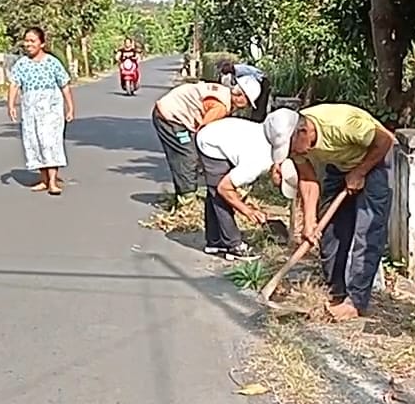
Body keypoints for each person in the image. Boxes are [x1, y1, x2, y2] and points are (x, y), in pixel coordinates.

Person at [264, 104, 395, 321]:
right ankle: (336, 291)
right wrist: (309, 222)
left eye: (292, 148)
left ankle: (355, 302)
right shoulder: (297, 144)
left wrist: (360, 172)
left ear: (303, 132)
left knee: (367, 231)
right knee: (332, 231)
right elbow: (307, 179)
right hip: (340, 164)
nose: (293, 153)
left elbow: (385, 141)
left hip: (374, 160)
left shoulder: (341, 124)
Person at [152, 77, 260, 208]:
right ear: (240, 95)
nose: (247, 106)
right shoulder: (221, 106)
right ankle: (187, 199)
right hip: (170, 117)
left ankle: (185, 190)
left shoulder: (223, 94)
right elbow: (203, 132)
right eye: (247, 101)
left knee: (190, 153)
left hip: (173, 112)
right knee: (188, 155)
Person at [194, 116, 279, 261]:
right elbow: (224, 189)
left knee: (214, 192)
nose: (278, 186)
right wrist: (247, 211)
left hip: (221, 135)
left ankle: (215, 242)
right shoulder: (258, 163)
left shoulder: (274, 149)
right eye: (280, 183)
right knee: (220, 194)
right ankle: (234, 246)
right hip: (211, 143)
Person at [6, 26, 75, 196]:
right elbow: (14, 85)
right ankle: (43, 179)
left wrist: (70, 107)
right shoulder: (21, 64)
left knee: (50, 142)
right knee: (35, 142)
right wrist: (11, 105)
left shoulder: (52, 62)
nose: (28, 44)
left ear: (42, 44)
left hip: (51, 110)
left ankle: (53, 181)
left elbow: (64, 85)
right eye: (26, 41)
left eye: (32, 41)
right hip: (31, 111)